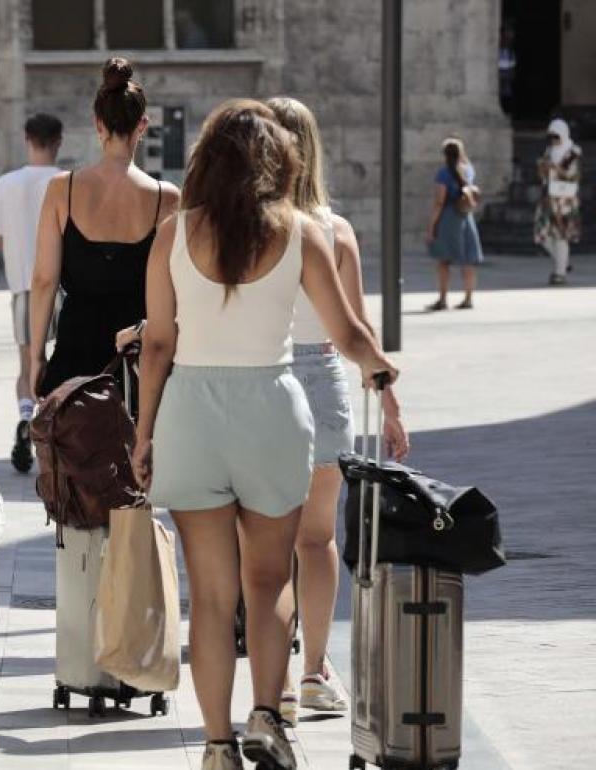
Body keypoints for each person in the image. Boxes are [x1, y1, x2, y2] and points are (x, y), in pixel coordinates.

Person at [132, 99, 397, 770]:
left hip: (191, 411)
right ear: (275, 162)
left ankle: (217, 745)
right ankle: (267, 715)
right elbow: (347, 333)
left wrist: (142, 436)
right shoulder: (298, 233)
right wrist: (381, 371)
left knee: (212, 598)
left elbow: (157, 345)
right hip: (272, 412)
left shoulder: (173, 233)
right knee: (270, 579)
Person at [266, 97, 410, 725]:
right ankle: (315, 670)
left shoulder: (252, 225)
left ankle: (279, 683)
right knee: (318, 538)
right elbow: (357, 329)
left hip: (264, 377)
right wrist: (390, 399)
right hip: (325, 377)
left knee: (269, 538)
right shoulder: (335, 228)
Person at [30, 58, 180, 406]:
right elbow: (174, 289)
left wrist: (35, 356)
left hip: (75, 350)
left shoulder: (60, 189)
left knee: (75, 453)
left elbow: (43, 281)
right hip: (138, 354)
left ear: (98, 124)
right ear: (142, 125)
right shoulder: (167, 198)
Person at [0, 112, 64, 472]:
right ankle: (55, 432)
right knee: (63, 364)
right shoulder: (67, 181)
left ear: (26, 139)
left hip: (22, 286)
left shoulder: (5, 183)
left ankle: (25, 414)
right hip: (64, 287)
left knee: (26, 363)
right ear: (58, 142)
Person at [425, 137, 483, 310]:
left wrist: (431, 227)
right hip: (466, 217)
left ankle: (443, 299)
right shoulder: (468, 171)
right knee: (468, 260)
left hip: (449, 218)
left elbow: (439, 202)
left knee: (444, 260)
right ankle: (468, 298)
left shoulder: (443, 174)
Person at [535, 118, 582, 285]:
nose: (554, 140)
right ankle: (563, 262)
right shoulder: (549, 151)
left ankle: (559, 273)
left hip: (565, 200)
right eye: (551, 136)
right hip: (548, 197)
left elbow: (571, 175)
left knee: (561, 236)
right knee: (543, 235)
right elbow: (543, 175)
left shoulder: (572, 152)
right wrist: (542, 168)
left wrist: (554, 168)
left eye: (556, 136)